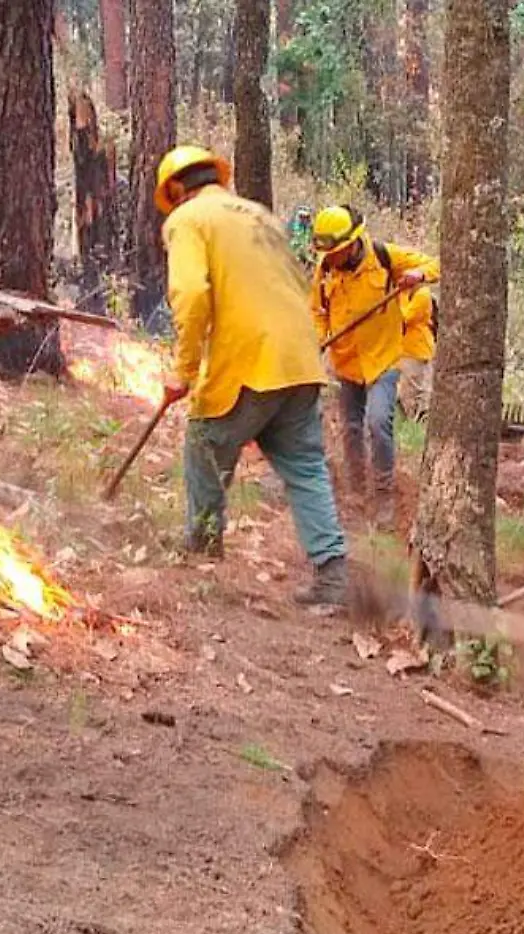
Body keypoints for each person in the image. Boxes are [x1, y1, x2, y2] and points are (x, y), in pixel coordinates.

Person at [154, 145, 351, 606]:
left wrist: (183, 371)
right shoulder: (260, 215)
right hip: (300, 360)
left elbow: (190, 294)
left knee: (205, 443)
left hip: (249, 360)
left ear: (177, 189)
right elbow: (297, 284)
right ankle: (333, 574)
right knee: (306, 469)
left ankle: (202, 550)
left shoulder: (188, 219)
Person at [309, 205, 440, 526]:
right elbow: (317, 310)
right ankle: (355, 491)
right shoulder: (324, 269)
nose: (333, 258)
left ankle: (384, 496)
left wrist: (418, 276)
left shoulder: (383, 257)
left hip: (384, 358)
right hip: (345, 361)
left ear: (352, 243)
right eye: (329, 253)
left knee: (379, 422)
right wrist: (318, 338)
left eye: (338, 252)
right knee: (351, 428)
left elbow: (436, 263)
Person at [396, 282, 436, 421]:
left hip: (416, 352)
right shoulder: (401, 292)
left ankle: (418, 425)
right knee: (403, 394)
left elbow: (404, 318)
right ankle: (411, 424)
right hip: (402, 351)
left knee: (414, 393)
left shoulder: (422, 294)